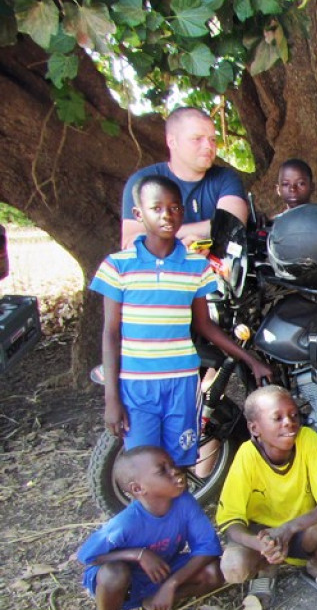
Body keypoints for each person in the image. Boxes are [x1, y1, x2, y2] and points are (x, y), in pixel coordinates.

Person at [91, 175, 272, 468]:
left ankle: (179, 513)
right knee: (145, 466)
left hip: (182, 383)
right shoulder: (118, 266)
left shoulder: (195, 266)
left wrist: (250, 360)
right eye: (157, 208)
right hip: (138, 386)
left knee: (178, 466)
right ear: (139, 214)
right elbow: (110, 335)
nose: (167, 215)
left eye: (175, 208)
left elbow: (205, 326)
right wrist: (112, 398)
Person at [77, 446, 224, 610]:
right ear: (138, 488)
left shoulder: (184, 502)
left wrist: (171, 584)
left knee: (214, 572)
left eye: (172, 465)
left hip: (160, 575)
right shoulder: (127, 522)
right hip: (123, 584)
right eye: (162, 470)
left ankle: (153, 601)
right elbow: (88, 556)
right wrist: (138, 554)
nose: (176, 471)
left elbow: (208, 548)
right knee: (114, 572)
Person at [216, 386, 317, 610]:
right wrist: (261, 544)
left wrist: (289, 529)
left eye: (293, 415)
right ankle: (265, 568)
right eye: (277, 418)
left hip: (303, 532)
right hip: (264, 537)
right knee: (233, 567)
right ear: (254, 428)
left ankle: (315, 564)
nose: (289, 423)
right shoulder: (247, 455)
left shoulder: (308, 439)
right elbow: (231, 522)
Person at [120, 107, 248, 250]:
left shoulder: (226, 178)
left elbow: (232, 227)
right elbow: (130, 244)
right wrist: (179, 247)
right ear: (172, 142)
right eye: (197, 139)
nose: (208, 146)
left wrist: (162, 232)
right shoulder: (143, 183)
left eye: (212, 139)